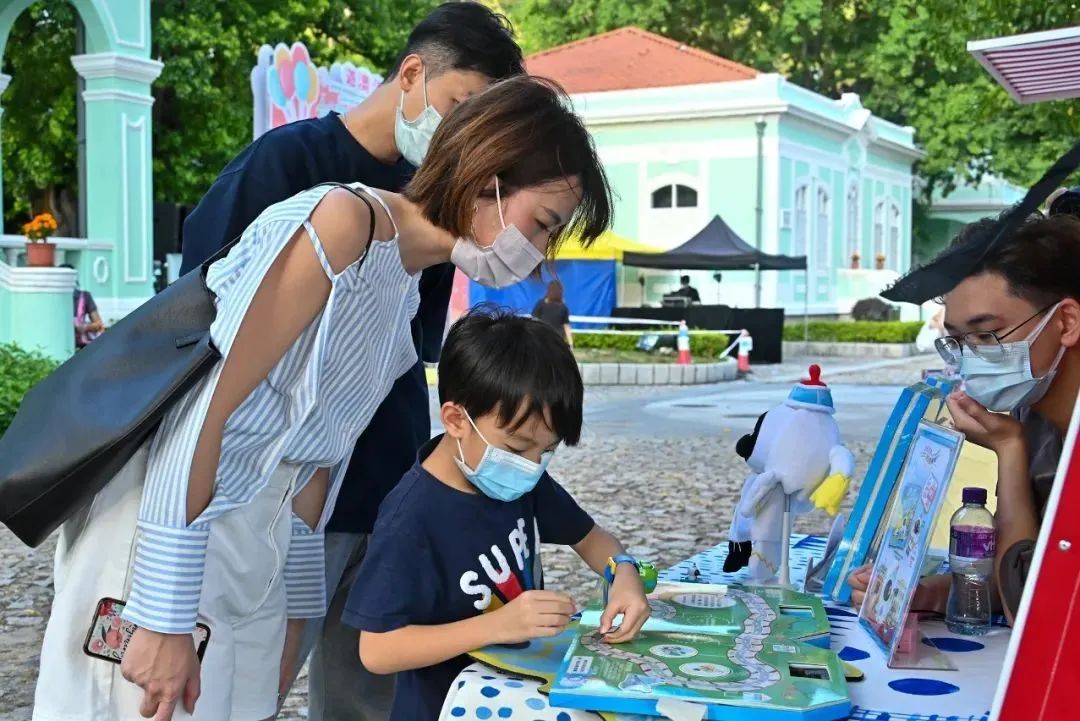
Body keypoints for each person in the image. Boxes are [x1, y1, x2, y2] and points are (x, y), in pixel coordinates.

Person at [33, 74, 612, 721]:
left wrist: (295, 617)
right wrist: (162, 615)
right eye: (543, 224)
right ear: (487, 177)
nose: (539, 257)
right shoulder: (341, 224)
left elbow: (315, 466)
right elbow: (203, 413)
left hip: (254, 553)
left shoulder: (402, 286)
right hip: (166, 538)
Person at [178, 5, 524, 720]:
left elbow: (409, 354)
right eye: (459, 106)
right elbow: (206, 328)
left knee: (366, 692)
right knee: (245, 679)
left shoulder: (431, 202)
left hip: (380, 483)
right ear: (411, 73)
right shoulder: (286, 164)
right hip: (276, 488)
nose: (459, 136)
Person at [343, 308, 650, 721]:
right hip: (445, 708)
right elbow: (378, 650)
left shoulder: (519, 477)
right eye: (518, 448)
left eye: (547, 451)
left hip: (518, 697)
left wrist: (625, 575)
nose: (532, 464)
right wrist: (497, 626)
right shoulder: (411, 519)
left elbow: (592, 538)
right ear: (456, 419)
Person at [848, 214, 1080, 624]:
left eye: (987, 334)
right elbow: (1023, 566)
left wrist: (1009, 450)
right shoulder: (1033, 412)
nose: (971, 356)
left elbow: (1034, 616)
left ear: (1066, 322)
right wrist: (926, 593)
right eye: (957, 340)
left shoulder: (1023, 429)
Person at [61, 263, 104, 349]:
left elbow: (99, 324)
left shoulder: (84, 297)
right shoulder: (54, 298)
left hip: (80, 344)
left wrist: (84, 327)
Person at [531, 279, 573, 346]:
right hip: (558, 338)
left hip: (542, 337)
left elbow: (534, 320)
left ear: (548, 290)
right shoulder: (563, 307)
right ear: (561, 292)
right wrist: (571, 343)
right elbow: (566, 326)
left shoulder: (541, 303)